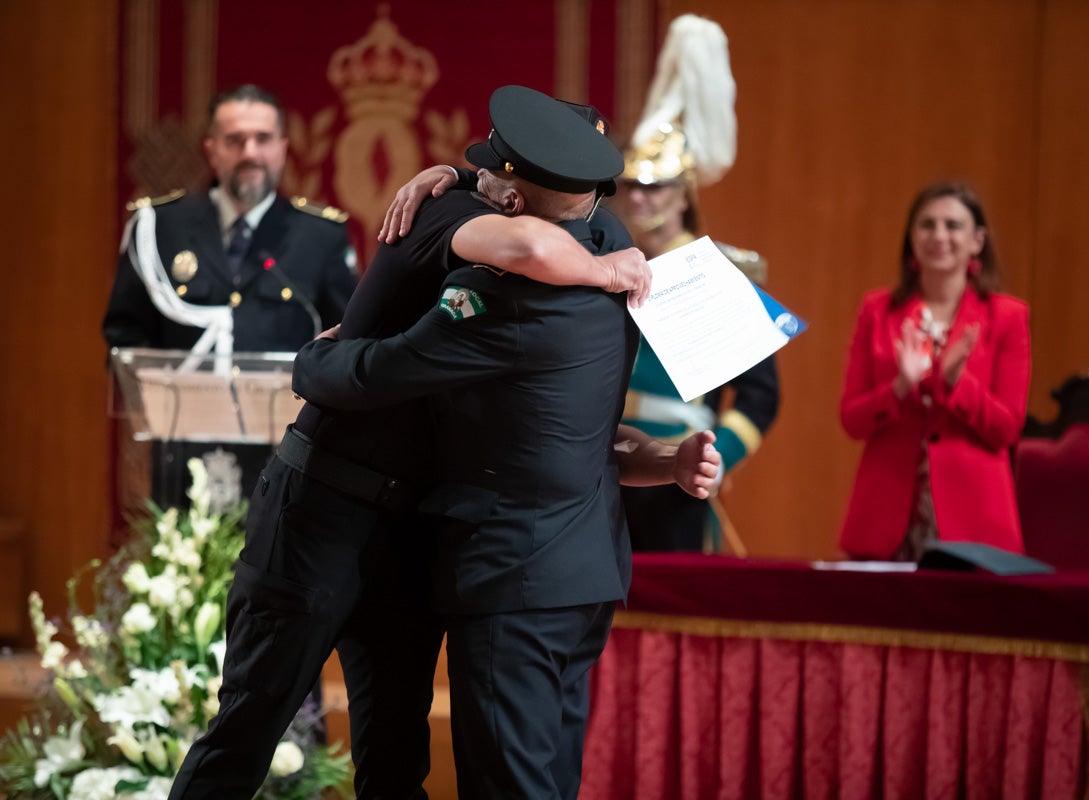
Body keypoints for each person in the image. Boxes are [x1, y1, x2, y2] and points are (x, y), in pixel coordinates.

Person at [169, 85, 717, 800]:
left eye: (492, 166)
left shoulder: (578, 244)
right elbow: (525, 237)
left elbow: (563, 236)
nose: (477, 171)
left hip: (413, 527)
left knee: (396, 754)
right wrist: (312, 361)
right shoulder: (450, 211)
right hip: (322, 509)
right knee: (253, 721)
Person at [290, 84, 669, 799]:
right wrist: (460, 176)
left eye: (497, 175)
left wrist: (311, 359)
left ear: (516, 200)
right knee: (550, 781)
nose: (483, 184)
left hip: (512, 580)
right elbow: (546, 211)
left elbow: (378, 371)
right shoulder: (612, 248)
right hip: (586, 571)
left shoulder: (508, 299)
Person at [102, 84, 359, 509]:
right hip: (184, 459)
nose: (250, 153)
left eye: (262, 139)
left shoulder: (319, 236)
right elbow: (124, 332)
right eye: (235, 140)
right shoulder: (161, 227)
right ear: (212, 149)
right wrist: (155, 397)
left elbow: (349, 339)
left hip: (287, 460)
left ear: (282, 148)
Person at [609, 14, 780, 552]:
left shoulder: (720, 276)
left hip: (679, 476)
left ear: (684, 194)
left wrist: (716, 455)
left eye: (656, 187)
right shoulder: (607, 263)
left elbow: (759, 397)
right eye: (632, 187)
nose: (640, 199)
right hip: (603, 465)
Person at [838, 182, 1030, 561]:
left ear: (977, 241)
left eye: (953, 225)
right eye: (927, 224)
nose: (939, 235)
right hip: (888, 515)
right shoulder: (877, 311)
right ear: (911, 239)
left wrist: (958, 382)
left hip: (973, 519)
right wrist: (899, 386)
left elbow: (1007, 428)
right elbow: (852, 420)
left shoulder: (1007, 317)